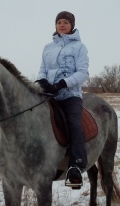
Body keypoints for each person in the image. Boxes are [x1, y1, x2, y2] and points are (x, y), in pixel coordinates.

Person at [36, 11, 89, 186]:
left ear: (72, 25)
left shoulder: (79, 47)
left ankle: (76, 165)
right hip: (48, 94)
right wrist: (42, 81)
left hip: (70, 95)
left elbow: (83, 73)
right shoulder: (47, 47)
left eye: (66, 22)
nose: (62, 25)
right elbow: (42, 69)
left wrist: (61, 84)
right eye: (59, 22)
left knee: (74, 124)